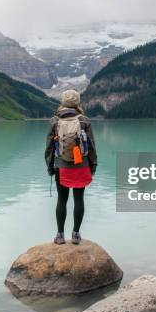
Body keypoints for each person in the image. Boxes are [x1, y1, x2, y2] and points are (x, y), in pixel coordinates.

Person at [45, 89, 97, 245]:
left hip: (61, 166)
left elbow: (49, 148)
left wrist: (50, 167)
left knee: (62, 200)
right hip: (81, 165)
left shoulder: (54, 121)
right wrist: (93, 165)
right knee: (79, 199)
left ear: (63, 102)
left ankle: (60, 236)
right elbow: (92, 147)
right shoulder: (84, 120)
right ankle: (75, 235)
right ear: (77, 102)